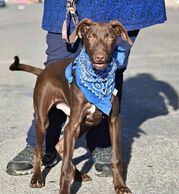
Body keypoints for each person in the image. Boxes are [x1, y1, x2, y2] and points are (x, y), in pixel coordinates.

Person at [6, 0, 166, 176]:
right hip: (67, 4)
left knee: (111, 66)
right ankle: (43, 144)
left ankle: (101, 142)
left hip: (122, 5)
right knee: (58, 62)